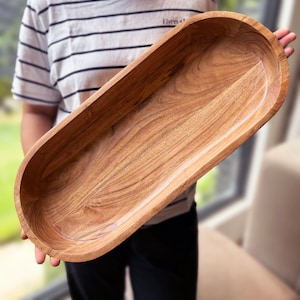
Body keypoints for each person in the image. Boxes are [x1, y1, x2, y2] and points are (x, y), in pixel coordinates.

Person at [12, 1, 296, 299]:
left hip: (170, 213)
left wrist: (249, 72)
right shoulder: (46, 6)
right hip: (81, 216)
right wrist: (44, 199)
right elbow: (36, 112)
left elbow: (212, 91)